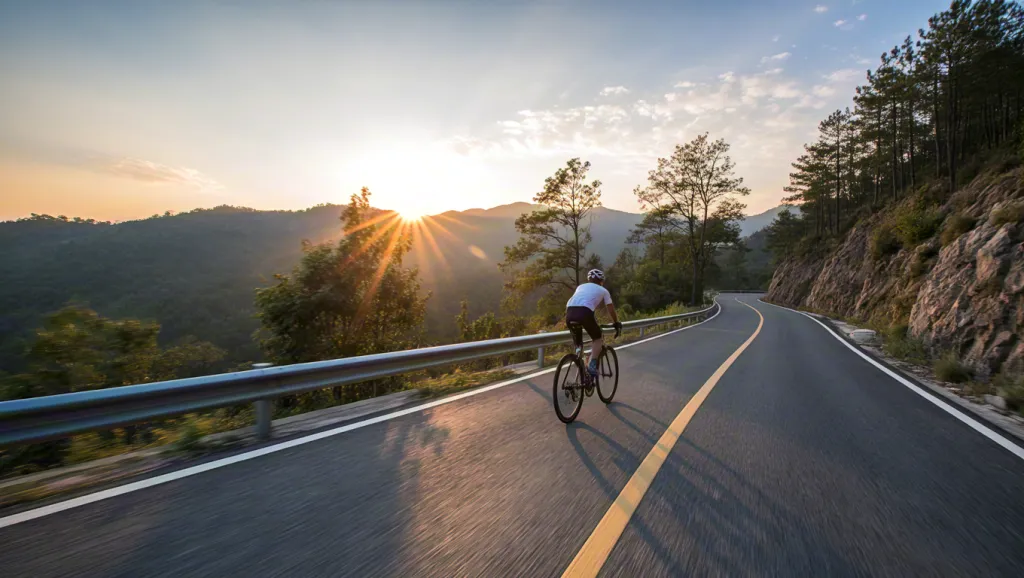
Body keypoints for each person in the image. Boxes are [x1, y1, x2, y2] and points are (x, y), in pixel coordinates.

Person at [565, 269, 622, 377]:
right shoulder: (603, 290)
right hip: (585, 313)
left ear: (589, 280)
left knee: (579, 343)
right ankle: (592, 364)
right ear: (601, 281)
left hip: (569, 313)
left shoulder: (580, 287)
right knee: (597, 338)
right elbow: (610, 309)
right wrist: (616, 322)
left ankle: (579, 358)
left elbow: (579, 301)